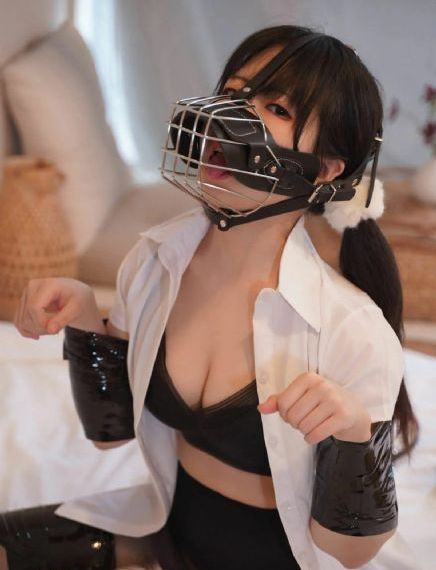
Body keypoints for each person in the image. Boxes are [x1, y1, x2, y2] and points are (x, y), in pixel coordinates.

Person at [1, 25, 418, 570]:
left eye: (276, 108)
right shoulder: (153, 263)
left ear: (325, 170)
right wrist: (83, 316)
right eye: (235, 92)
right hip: (161, 529)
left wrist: (354, 434)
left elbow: (351, 552)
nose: (232, 115)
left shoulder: (353, 330)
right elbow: (110, 433)